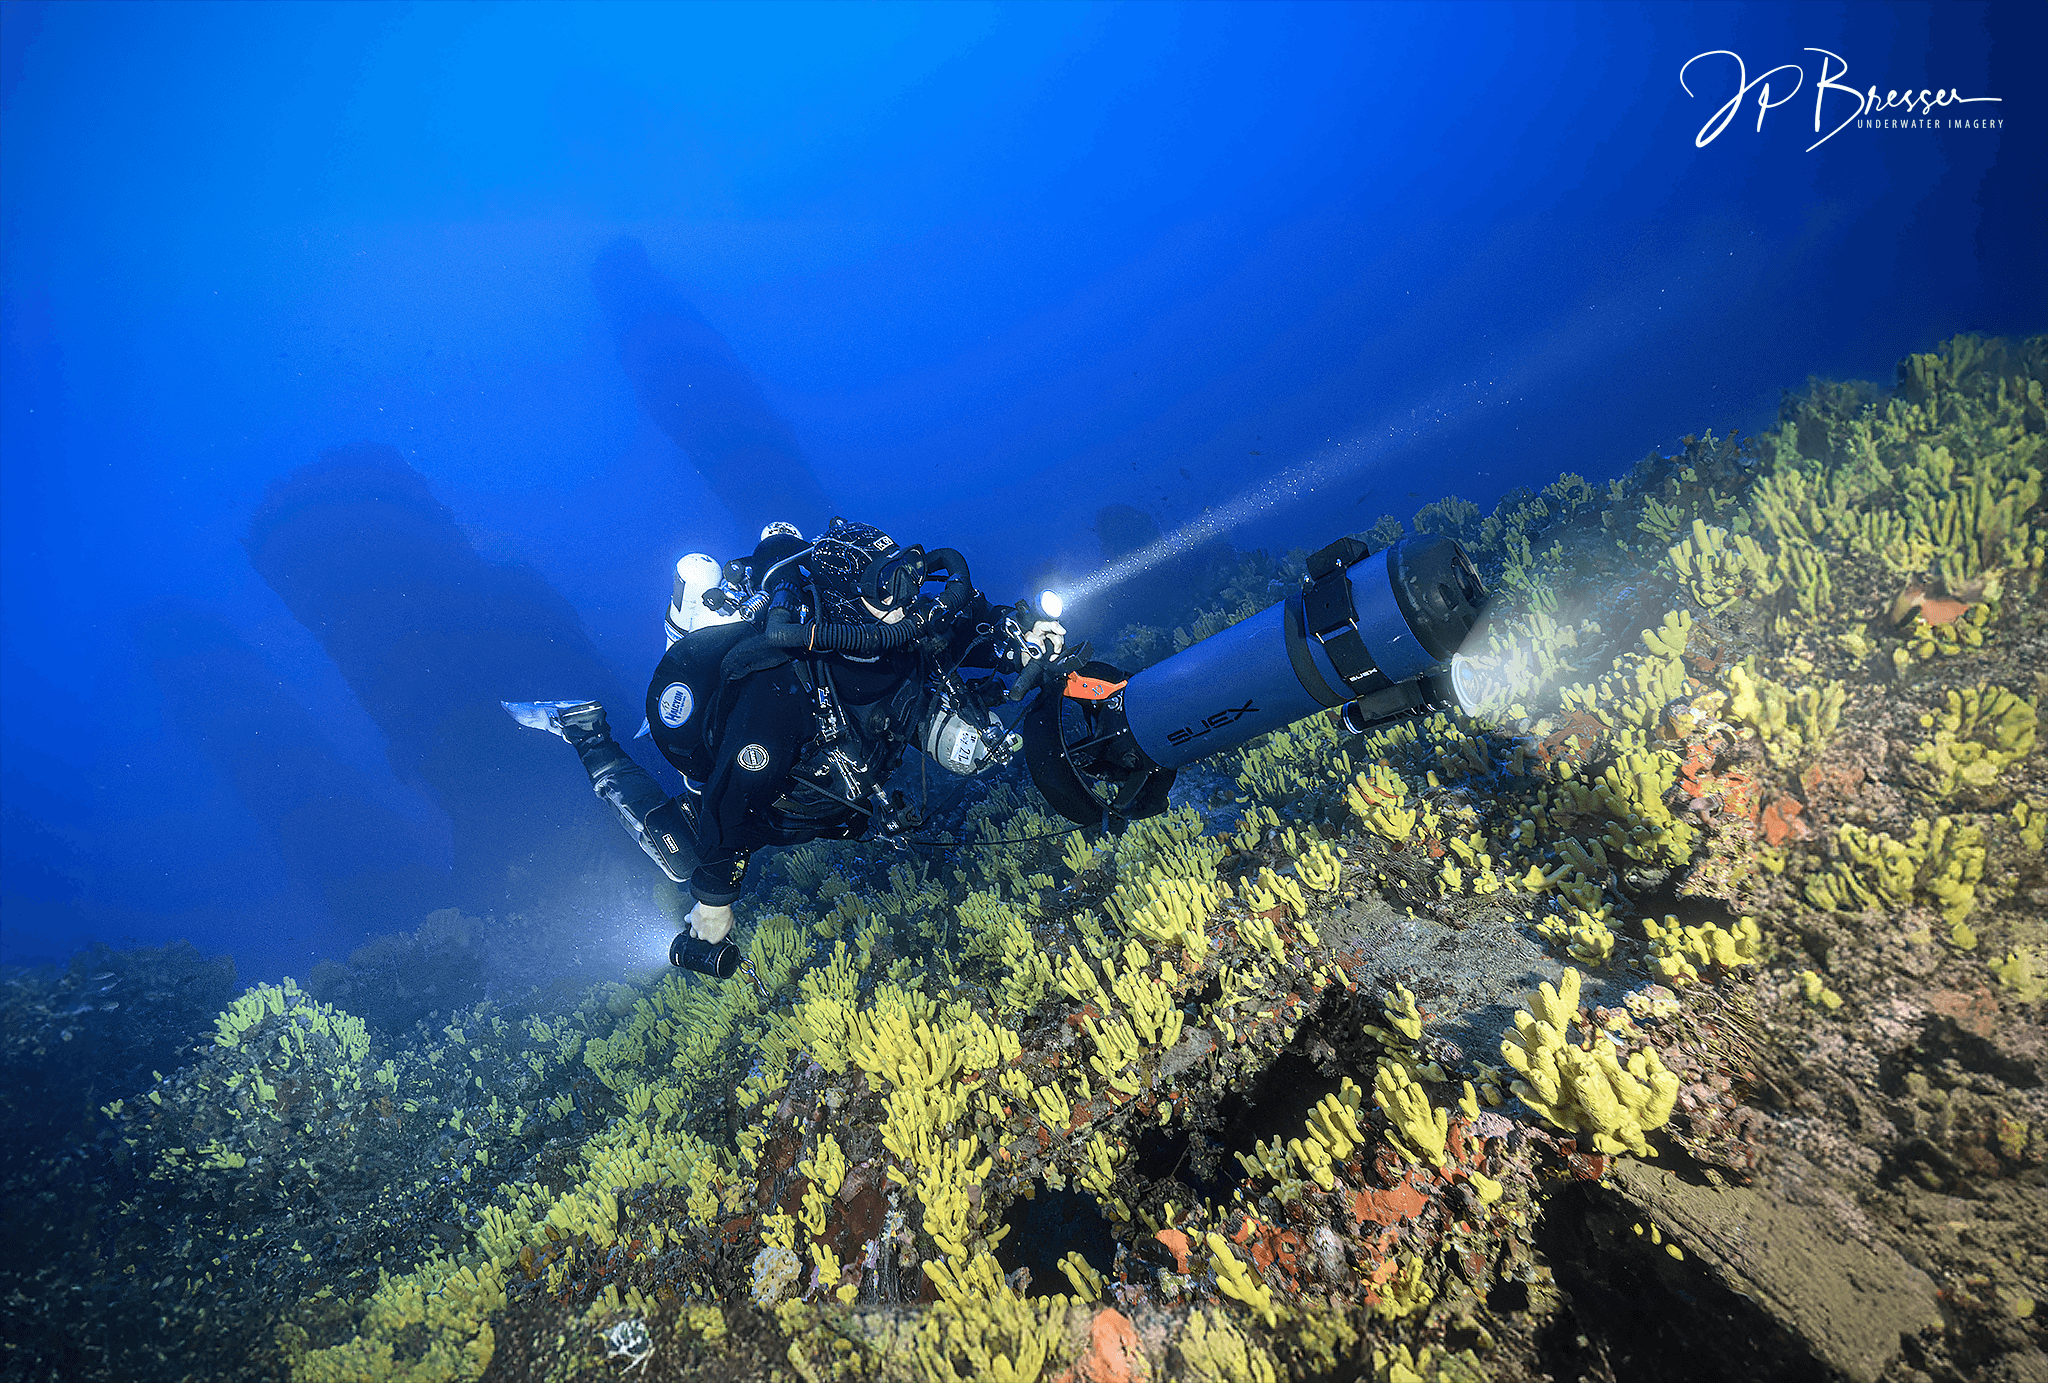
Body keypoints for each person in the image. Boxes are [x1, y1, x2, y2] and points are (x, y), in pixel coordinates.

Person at [505, 518, 1068, 952]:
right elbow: (735, 791)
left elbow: (968, 633)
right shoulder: (782, 678)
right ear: (847, 598)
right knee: (693, 855)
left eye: (903, 578)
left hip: (845, 779)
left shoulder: (906, 627)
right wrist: (715, 901)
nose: (904, 601)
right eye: (883, 586)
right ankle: (585, 731)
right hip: (766, 797)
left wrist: (1017, 638)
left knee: (969, 739)